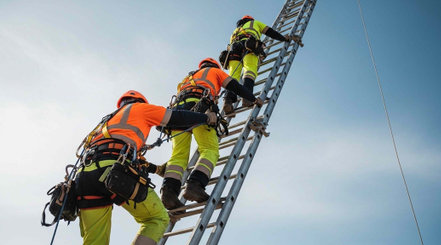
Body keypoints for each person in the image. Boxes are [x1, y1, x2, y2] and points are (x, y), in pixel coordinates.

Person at [75, 90, 217, 245]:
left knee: (95, 242)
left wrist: (157, 169)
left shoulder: (105, 124)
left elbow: (120, 152)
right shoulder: (140, 108)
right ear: (139, 101)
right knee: (156, 219)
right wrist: (206, 117)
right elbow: (177, 117)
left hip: (84, 178)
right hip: (112, 171)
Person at [160, 58, 263, 210]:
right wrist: (252, 98)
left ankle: (168, 194)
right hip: (200, 108)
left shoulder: (187, 78)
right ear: (214, 66)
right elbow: (234, 85)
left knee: (178, 156)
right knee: (209, 149)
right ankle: (195, 185)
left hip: (177, 113)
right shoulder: (215, 71)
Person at [222, 15, 303, 114]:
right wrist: (283, 38)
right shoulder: (255, 23)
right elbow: (270, 32)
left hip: (233, 52)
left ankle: (227, 102)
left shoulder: (235, 31)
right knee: (250, 71)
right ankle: (247, 99)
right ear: (250, 19)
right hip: (248, 47)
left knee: (233, 77)